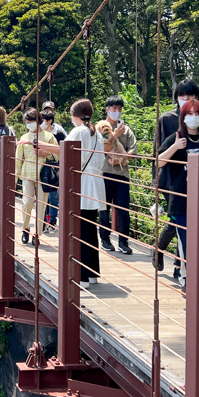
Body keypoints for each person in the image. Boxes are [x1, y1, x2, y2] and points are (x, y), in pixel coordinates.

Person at [157, 99, 199, 288]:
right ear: (183, 118)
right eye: (189, 114)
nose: (194, 118)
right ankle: (188, 277)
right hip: (181, 199)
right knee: (186, 240)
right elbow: (159, 161)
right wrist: (175, 147)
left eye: (197, 114)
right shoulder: (175, 138)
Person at [152, 79, 199, 278]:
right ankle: (164, 252)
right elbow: (159, 151)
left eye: (191, 96)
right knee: (177, 220)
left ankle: (176, 263)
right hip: (171, 179)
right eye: (182, 96)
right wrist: (156, 180)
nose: (187, 100)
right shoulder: (167, 118)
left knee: (187, 223)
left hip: (195, 180)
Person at [67, 98, 107, 287]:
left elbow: (66, 152)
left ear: (75, 115)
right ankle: (91, 273)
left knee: (81, 229)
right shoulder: (96, 133)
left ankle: (81, 276)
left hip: (83, 183)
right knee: (90, 228)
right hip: (96, 183)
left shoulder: (78, 131)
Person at [96, 96, 137, 255]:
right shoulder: (100, 127)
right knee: (104, 208)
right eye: (114, 109)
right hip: (104, 173)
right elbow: (100, 150)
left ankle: (123, 242)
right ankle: (105, 240)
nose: (117, 112)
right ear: (107, 109)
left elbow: (134, 151)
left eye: (119, 109)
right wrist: (114, 135)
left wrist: (122, 158)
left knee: (123, 210)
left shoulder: (127, 130)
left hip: (122, 174)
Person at [16, 108, 58, 245]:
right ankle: (26, 227)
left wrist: (45, 153)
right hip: (27, 174)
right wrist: (15, 178)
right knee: (27, 202)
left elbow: (57, 156)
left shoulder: (49, 137)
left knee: (41, 204)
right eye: (27, 122)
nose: (29, 124)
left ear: (38, 121)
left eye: (31, 121)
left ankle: (37, 233)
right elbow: (18, 159)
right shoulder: (24, 138)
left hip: (44, 175)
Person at [39, 101, 66, 234]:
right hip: (41, 166)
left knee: (54, 196)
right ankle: (43, 221)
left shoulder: (59, 131)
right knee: (42, 195)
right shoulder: (37, 132)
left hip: (55, 167)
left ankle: (53, 221)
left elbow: (64, 149)